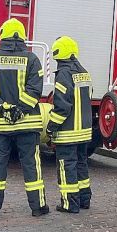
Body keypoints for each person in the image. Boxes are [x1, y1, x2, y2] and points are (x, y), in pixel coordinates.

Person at [0, 18, 48, 218]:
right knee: (31, 165)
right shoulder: (32, 59)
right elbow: (35, 89)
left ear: (2, 35)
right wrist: (20, 109)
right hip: (27, 124)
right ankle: (37, 207)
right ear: (23, 37)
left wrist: (1, 107)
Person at [46, 36, 93, 213]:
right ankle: (84, 199)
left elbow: (62, 107)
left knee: (67, 167)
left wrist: (51, 127)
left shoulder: (63, 75)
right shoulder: (84, 72)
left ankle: (69, 203)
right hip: (84, 132)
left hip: (68, 132)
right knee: (81, 164)